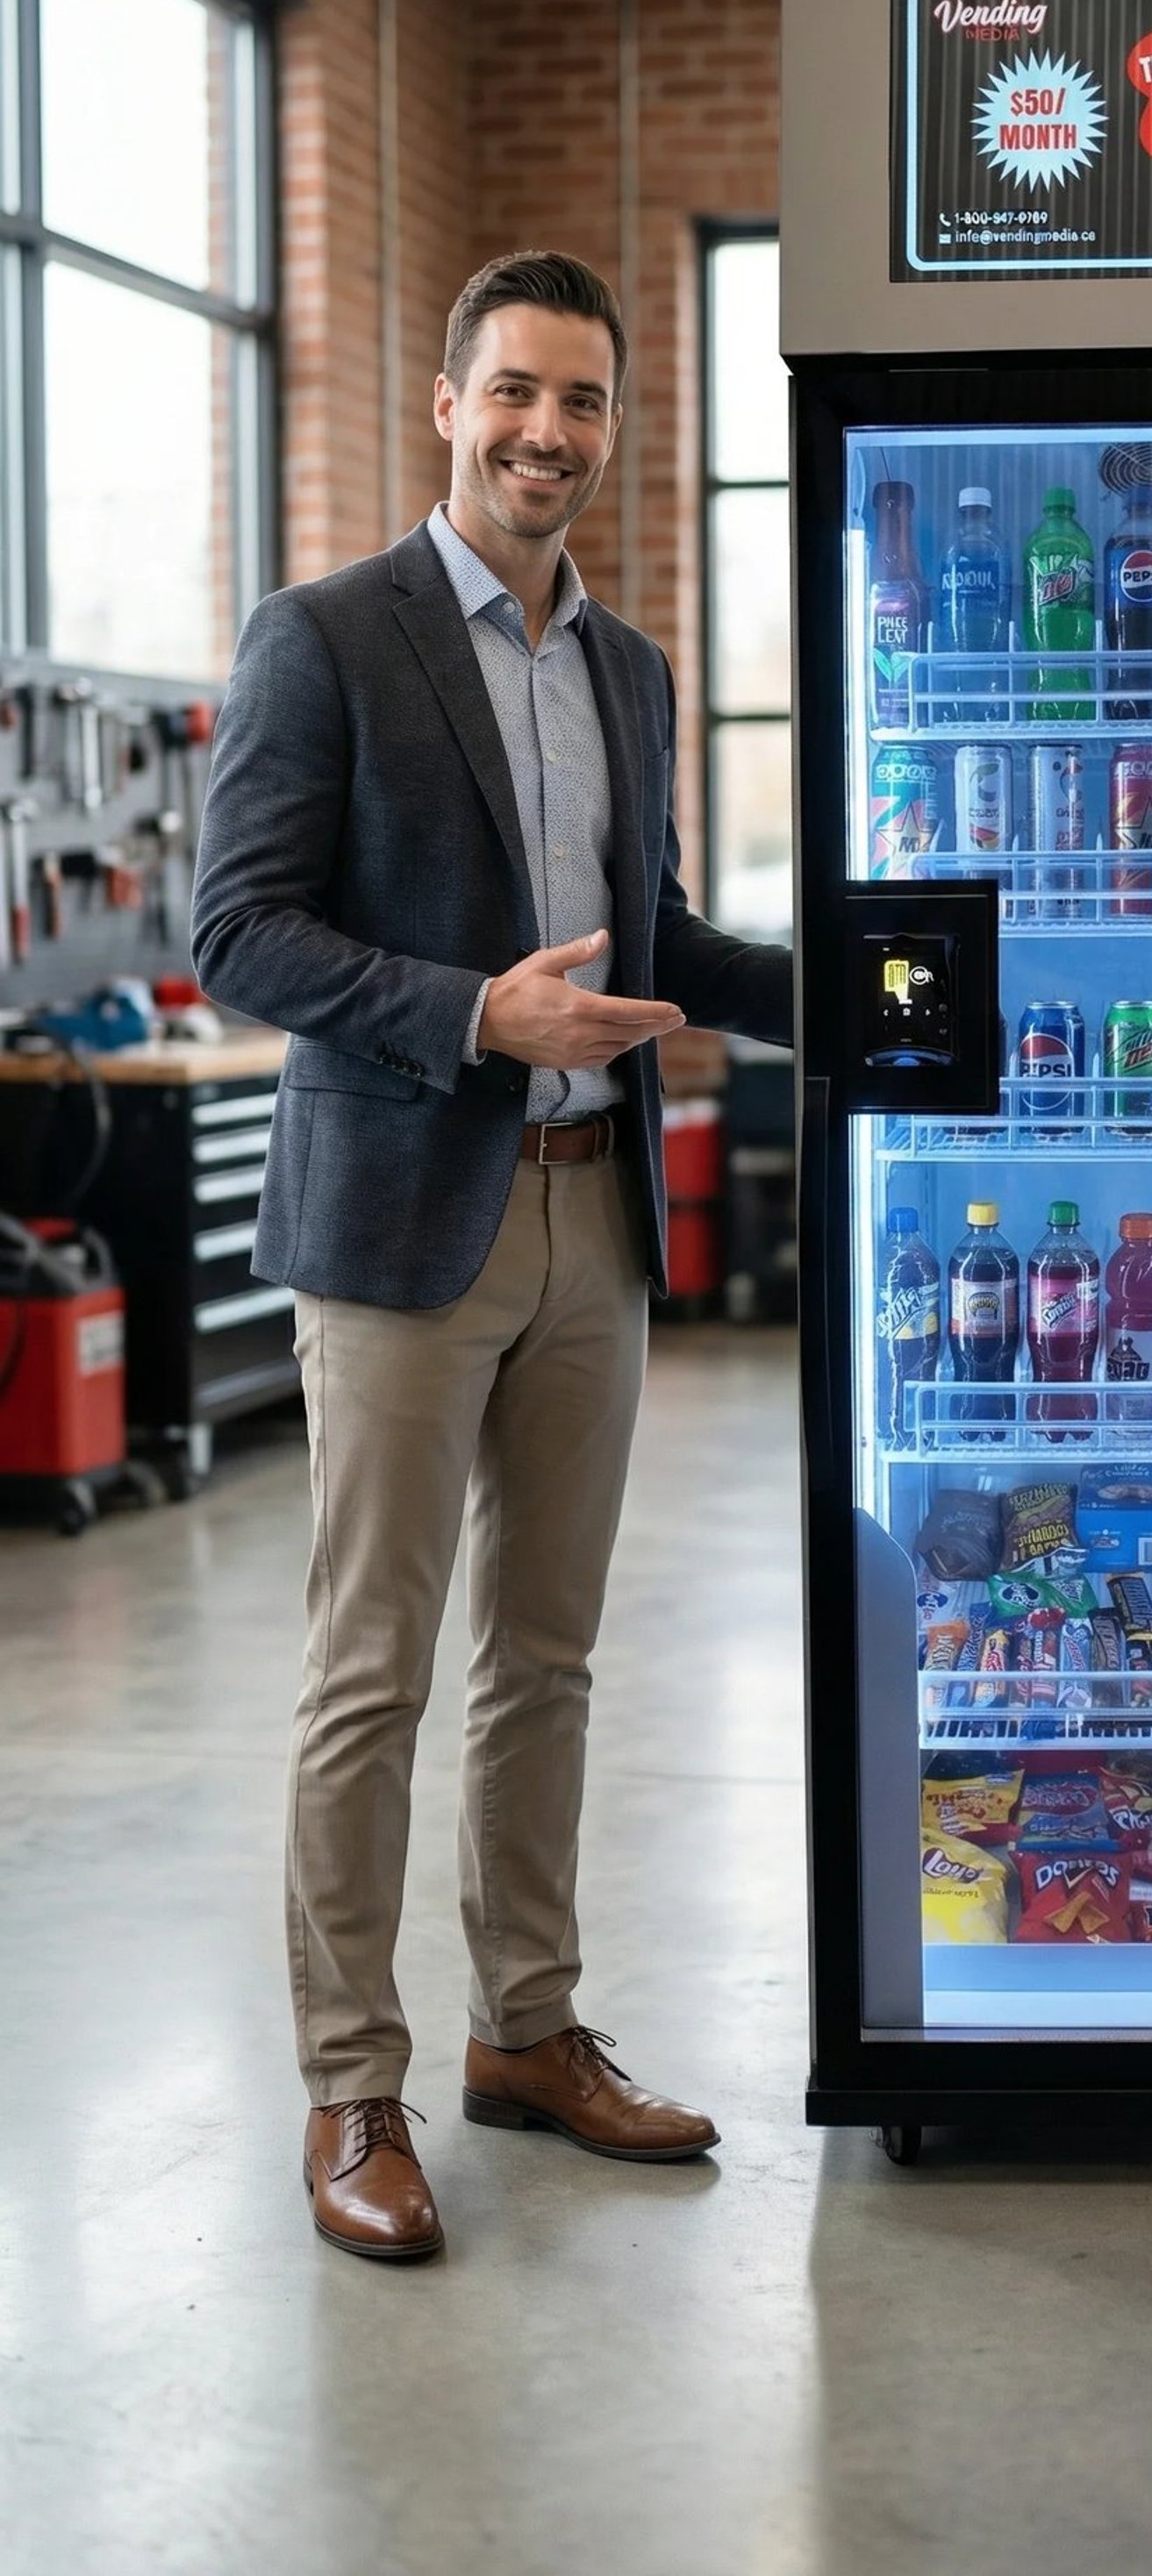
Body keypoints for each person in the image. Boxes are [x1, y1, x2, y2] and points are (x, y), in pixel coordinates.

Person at [191, 249, 794, 2261]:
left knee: (546, 1657)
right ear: (448, 403)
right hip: (400, 1226)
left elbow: (670, 940)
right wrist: (476, 1013)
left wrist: (893, 999)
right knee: (368, 1672)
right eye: (517, 392)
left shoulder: (624, 669)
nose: (551, 431)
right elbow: (241, 927)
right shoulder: (328, 637)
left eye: (589, 402)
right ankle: (351, 2083)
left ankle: (524, 2031)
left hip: (586, 1219)